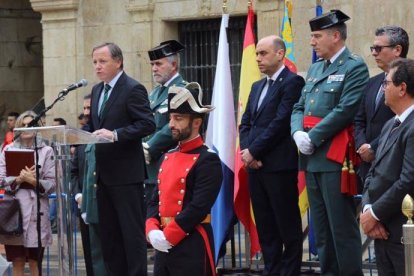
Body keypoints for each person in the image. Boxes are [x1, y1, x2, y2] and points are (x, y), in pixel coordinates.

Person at [290, 10, 369, 275]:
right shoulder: (314, 68)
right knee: (321, 231)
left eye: (316, 36)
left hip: (336, 159)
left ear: (335, 36)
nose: (312, 42)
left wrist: (312, 136)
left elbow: (346, 109)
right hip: (312, 160)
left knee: (341, 230)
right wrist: (297, 134)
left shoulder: (354, 66)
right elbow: (299, 107)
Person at [87, 42, 155, 276]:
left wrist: (116, 135)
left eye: (102, 61)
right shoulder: (97, 90)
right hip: (103, 176)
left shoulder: (132, 88)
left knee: (131, 234)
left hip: (127, 176)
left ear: (118, 61)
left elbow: (147, 123)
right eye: (95, 62)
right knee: (110, 236)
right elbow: (93, 125)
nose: (97, 66)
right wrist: (75, 135)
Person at [239, 35, 304, 276]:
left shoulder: (292, 82)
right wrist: (248, 153)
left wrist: (254, 151)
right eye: (256, 54)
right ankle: (272, 270)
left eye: (263, 53)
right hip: (256, 167)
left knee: (287, 225)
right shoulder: (257, 86)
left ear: (280, 54)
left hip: (278, 167)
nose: (258, 58)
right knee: (266, 225)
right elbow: (245, 123)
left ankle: (289, 272)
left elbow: (280, 123)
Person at [146, 82, 222, 276]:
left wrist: (170, 235)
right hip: (163, 244)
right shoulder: (168, 155)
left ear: (196, 122)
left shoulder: (208, 159)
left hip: (192, 242)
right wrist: (152, 229)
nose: (171, 124)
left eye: (178, 118)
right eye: (171, 117)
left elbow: (199, 206)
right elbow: (156, 199)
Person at [361, 58, 414, 276]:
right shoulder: (390, 124)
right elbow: (372, 172)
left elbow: (409, 179)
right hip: (381, 229)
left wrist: (375, 212)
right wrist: (367, 210)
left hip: (403, 229)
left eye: (387, 83)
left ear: (402, 88)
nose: (383, 88)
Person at [0, 110, 55, 276]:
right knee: (17, 261)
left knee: (34, 262)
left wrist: (33, 181)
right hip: (14, 211)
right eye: (23, 125)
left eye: (30, 125)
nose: (26, 128)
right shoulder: (8, 149)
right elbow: (1, 178)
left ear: (37, 128)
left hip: (37, 211)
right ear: (17, 128)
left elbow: (52, 183)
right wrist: (18, 179)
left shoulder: (47, 151)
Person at [355, 26, 409, 184]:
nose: (373, 53)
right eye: (373, 48)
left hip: (394, 164)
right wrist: (362, 145)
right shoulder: (372, 82)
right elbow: (359, 119)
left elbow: (405, 120)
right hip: (368, 166)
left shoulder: (409, 81)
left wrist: (374, 147)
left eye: (378, 48)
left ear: (397, 50)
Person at [143, 40, 187, 206]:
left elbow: (176, 124)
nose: (154, 69)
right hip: (148, 170)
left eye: (159, 64)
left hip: (169, 166)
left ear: (173, 65)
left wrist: (150, 146)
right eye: (152, 64)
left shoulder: (183, 89)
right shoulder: (154, 93)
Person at [71, 94, 95, 276]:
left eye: (89, 108)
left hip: (103, 204)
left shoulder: (107, 134)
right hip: (83, 204)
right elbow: (73, 171)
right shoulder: (80, 136)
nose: (86, 112)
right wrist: (78, 195)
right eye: (84, 108)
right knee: (89, 255)